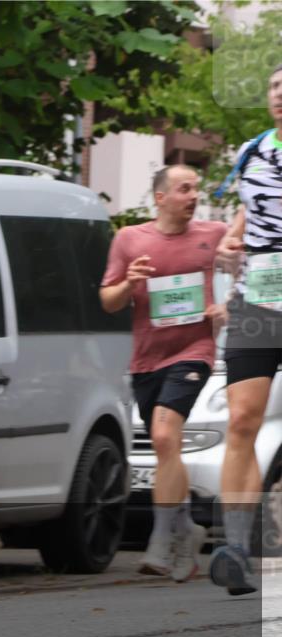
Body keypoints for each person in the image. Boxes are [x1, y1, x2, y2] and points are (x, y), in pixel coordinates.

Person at [100, 165, 227, 582]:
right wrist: (128, 282)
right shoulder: (130, 239)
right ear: (160, 197)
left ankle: (160, 540)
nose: (193, 196)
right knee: (165, 449)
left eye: (196, 189)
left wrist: (227, 306)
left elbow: (251, 272)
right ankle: (186, 529)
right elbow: (109, 301)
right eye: (184, 189)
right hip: (147, 360)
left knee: (163, 435)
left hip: (194, 352)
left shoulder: (214, 235)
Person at [210, 64, 282, 597]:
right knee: (241, 421)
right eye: (276, 87)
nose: (280, 95)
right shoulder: (252, 150)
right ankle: (237, 548)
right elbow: (246, 215)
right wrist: (230, 242)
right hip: (258, 298)